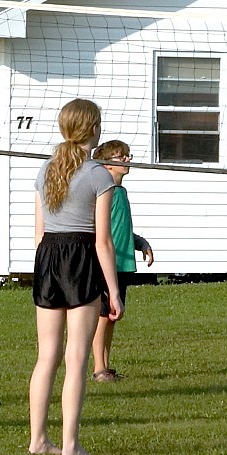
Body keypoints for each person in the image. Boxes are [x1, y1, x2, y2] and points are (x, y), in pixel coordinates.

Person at [30, 98, 124, 455]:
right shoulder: (98, 174)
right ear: (94, 128)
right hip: (81, 257)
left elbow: (39, 234)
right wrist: (112, 291)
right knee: (77, 358)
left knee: (46, 357)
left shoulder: (45, 171)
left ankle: (38, 440)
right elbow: (103, 240)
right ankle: (70, 444)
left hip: (48, 258)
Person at [89, 139, 155, 382]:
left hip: (122, 264)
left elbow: (122, 228)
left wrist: (140, 243)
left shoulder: (121, 193)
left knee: (113, 317)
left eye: (128, 155)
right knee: (103, 316)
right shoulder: (105, 194)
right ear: (106, 164)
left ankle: (106, 365)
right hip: (107, 265)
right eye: (120, 157)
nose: (127, 160)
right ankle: (98, 368)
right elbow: (101, 231)